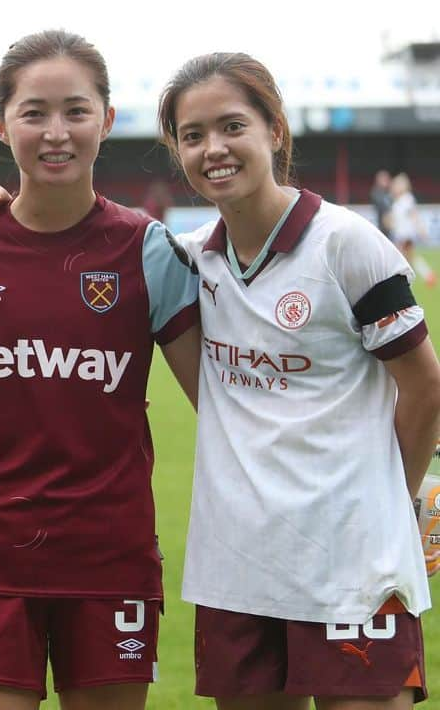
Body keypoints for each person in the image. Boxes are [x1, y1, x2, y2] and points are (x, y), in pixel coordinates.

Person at [0, 30, 201, 710]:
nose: (55, 132)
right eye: (34, 112)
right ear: (2, 124)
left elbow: (220, 400)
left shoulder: (147, 251)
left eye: (76, 110)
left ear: (108, 120)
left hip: (109, 552)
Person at [157, 52, 440, 709]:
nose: (213, 149)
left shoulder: (347, 244)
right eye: (192, 136)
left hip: (353, 560)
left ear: (274, 130)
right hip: (238, 561)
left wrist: (394, 500)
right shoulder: (188, 258)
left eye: (232, 126)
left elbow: (425, 386)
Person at [388, 172, 436, 287]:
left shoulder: (407, 199)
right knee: (408, 259)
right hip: (400, 234)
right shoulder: (397, 201)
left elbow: (414, 216)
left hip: (405, 235)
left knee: (402, 259)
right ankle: (426, 275)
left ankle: (421, 277)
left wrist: (421, 229)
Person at [371, 169, 394, 238]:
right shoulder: (376, 193)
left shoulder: (388, 193)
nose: (387, 182)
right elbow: (384, 208)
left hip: (389, 224)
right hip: (381, 224)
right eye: (384, 180)